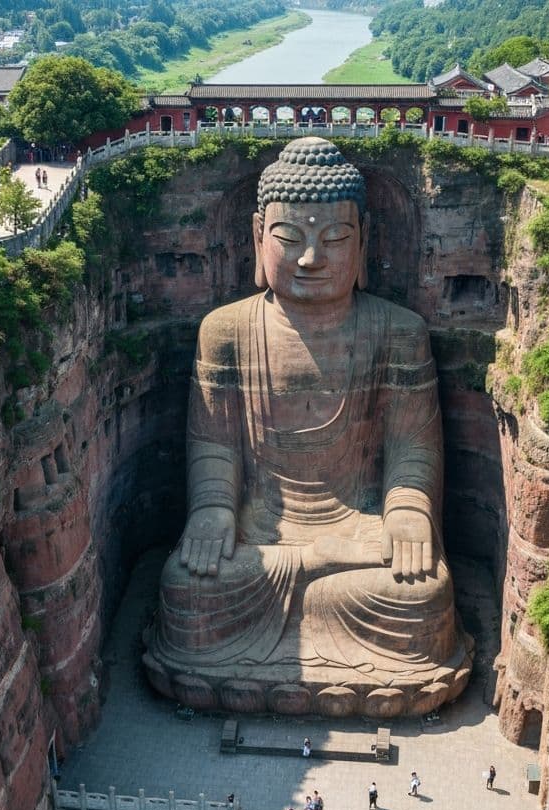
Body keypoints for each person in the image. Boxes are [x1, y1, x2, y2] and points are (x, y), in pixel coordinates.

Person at [146, 137, 471, 720]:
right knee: (188, 588)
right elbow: (214, 444)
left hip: (360, 530)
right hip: (262, 534)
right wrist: (213, 512)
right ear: (256, 238)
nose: (310, 259)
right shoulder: (225, 331)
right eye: (289, 239)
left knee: (420, 596)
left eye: (335, 239)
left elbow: (412, 447)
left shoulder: (398, 332)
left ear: (364, 240)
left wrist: (407, 513)